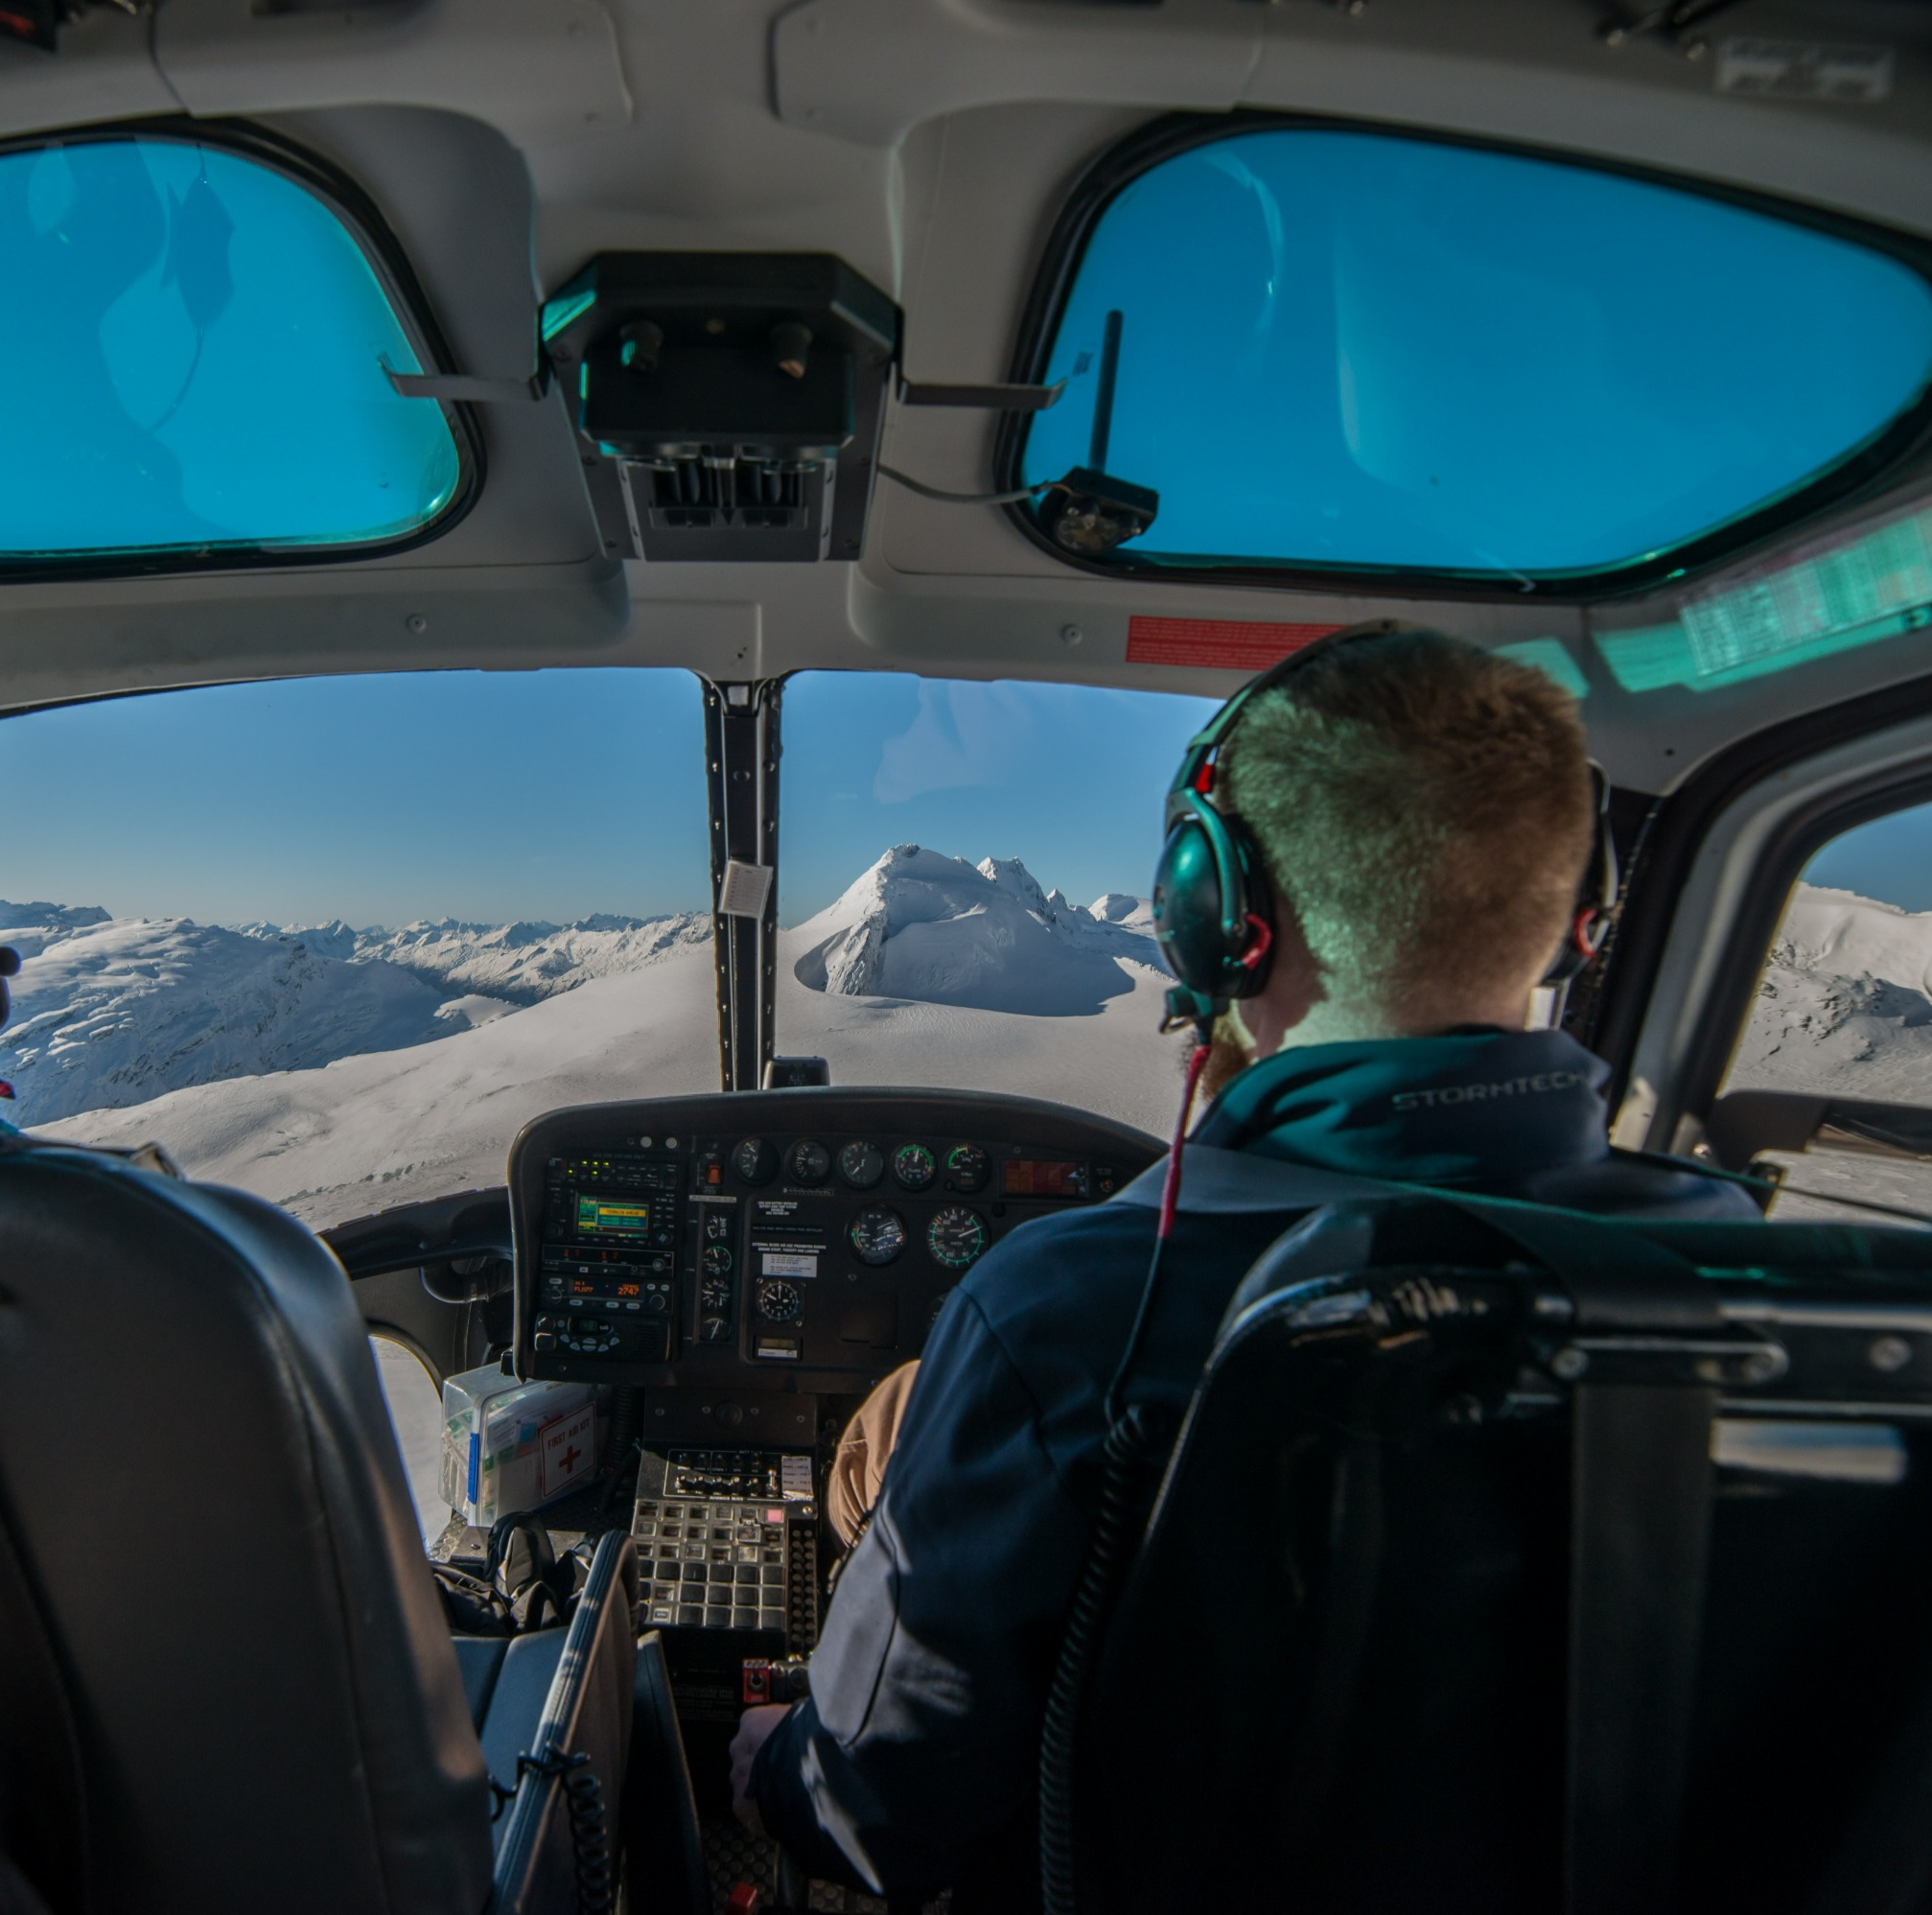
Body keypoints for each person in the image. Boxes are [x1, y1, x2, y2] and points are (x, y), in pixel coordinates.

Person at [731, 625, 1759, 1910]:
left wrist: (772, 1763)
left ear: (1215, 914)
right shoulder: (1756, 1295)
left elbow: (878, 1816)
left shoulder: (1074, 1309)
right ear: (1577, 916)